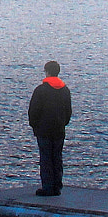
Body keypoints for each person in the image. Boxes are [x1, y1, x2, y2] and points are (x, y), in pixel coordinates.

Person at [27, 60, 71, 196]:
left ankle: (47, 187)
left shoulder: (40, 90)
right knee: (57, 158)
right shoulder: (65, 90)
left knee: (45, 158)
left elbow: (33, 111)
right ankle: (57, 187)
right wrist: (63, 123)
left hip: (44, 130)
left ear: (47, 72)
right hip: (59, 129)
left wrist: (35, 125)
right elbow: (68, 111)